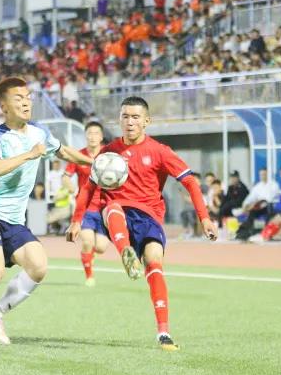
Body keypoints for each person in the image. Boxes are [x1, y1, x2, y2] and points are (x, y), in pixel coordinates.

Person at [0, 77, 92, 353]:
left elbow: (64, 152)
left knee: (38, 266)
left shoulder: (38, 132)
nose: (26, 103)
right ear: (4, 106)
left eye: (27, 97)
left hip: (14, 221)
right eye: (18, 98)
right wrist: (28, 155)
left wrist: (94, 162)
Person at [68, 96, 218, 351]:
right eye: (125, 116)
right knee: (113, 208)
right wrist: (76, 220)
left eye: (135, 117)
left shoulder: (160, 151)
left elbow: (190, 182)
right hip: (116, 213)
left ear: (147, 121)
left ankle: (164, 333)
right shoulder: (108, 152)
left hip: (149, 216)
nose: (130, 122)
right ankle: (126, 251)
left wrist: (204, 218)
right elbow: (88, 188)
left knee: (155, 262)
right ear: (119, 119)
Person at [62, 121, 109, 286]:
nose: (92, 136)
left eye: (96, 133)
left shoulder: (108, 155)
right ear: (85, 136)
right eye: (89, 133)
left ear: (101, 137)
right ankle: (89, 276)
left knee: (101, 247)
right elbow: (65, 177)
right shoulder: (78, 156)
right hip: (85, 208)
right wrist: (71, 188)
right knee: (88, 242)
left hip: (104, 208)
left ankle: (89, 254)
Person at [233, 167, 280, 241]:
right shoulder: (258, 186)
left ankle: (263, 232)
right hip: (259, 207)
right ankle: (244, 233)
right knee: (252, 212)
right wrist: (245, 204)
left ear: (268, 174)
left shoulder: (274, 185)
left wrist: (259, 202)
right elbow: (250, 197)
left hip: (270, 206)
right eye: (261, 174)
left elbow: (271, 198)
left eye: (264, 174)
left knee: (265, 207)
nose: (263, 176)